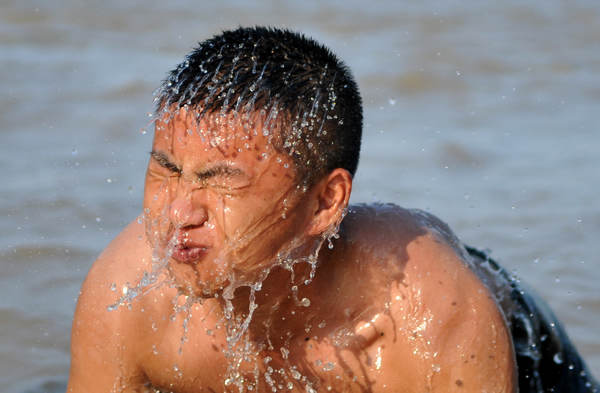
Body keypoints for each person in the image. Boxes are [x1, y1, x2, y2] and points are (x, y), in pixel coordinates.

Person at [67, 26, 598, 393]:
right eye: (164, 170)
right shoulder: (125, 295)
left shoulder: (422, 312)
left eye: (220, 182)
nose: (178, 212)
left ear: (325, 203)